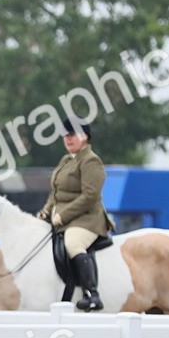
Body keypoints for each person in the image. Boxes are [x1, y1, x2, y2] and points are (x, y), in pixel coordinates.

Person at [37, 117, 113, 311]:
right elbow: (56, 192)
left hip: (87, 219)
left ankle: (92, 294)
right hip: (64, 219)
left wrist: (63, 215)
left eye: (72, 134)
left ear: (85, 136)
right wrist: (46, 210)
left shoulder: (91, 160)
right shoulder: (66, 160)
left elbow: (90, 196)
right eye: (65, 135)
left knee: (74, 244)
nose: (67, 138)